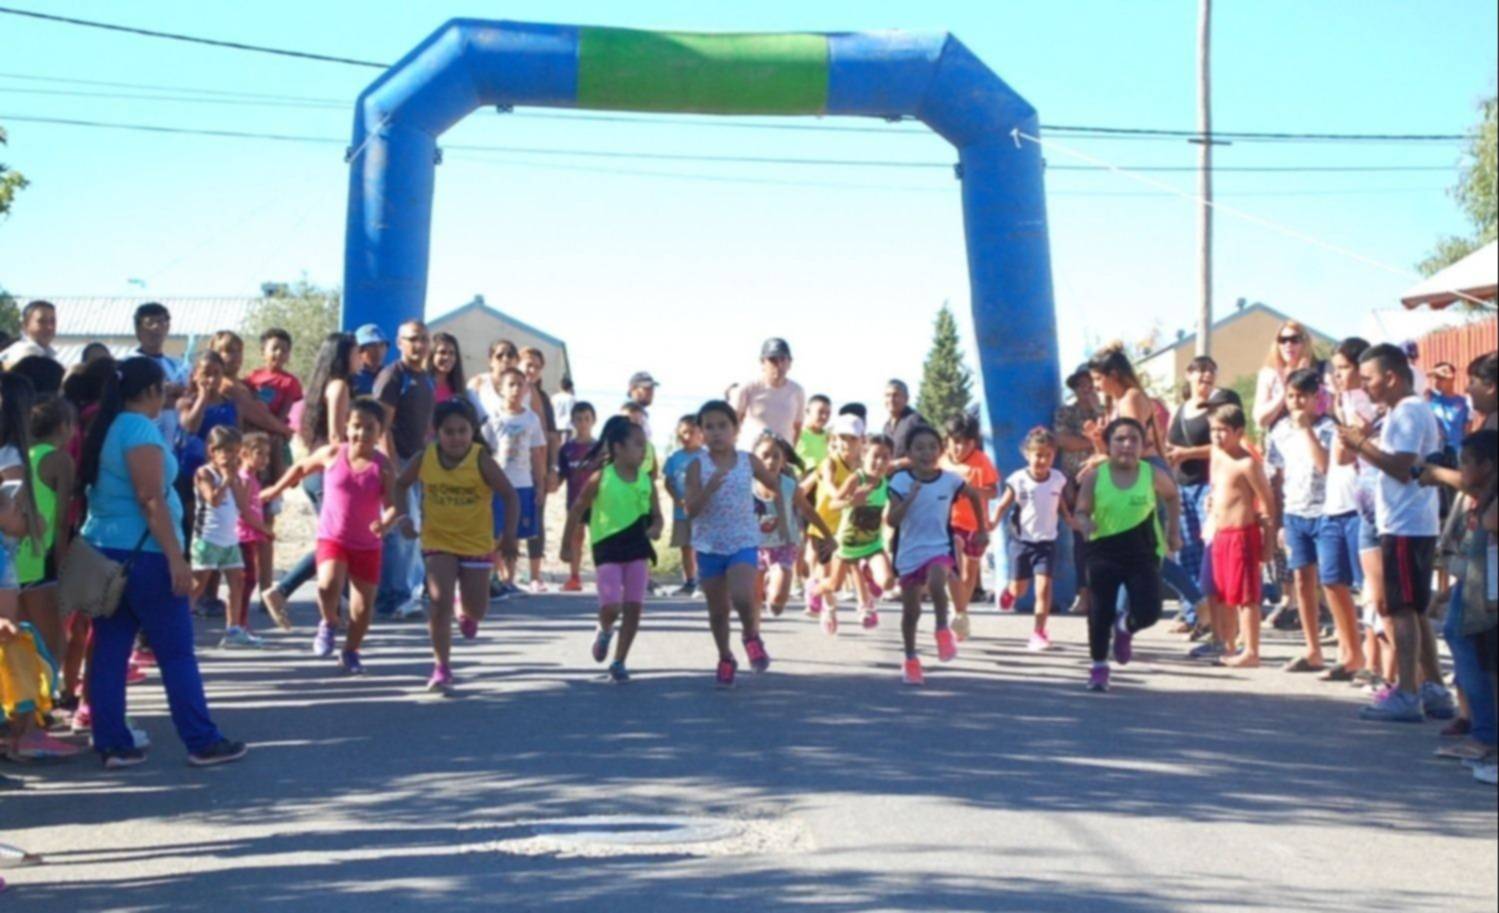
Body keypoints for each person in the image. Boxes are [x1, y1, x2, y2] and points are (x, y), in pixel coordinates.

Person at [77, 356, 247, 767]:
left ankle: (112, 742)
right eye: (162, 388)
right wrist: (175, 557)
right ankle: (201, 740)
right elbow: (149, 497)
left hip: (105, 550)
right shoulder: (137, 429)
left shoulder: (109, 425)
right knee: (176, 653)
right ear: (150, 390)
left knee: (110, 650)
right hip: (146, 554)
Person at [1339, 343, 1456, 722]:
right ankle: (1433, 688)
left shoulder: (1408, 411)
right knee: (1414, 607)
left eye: (1369, 379)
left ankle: (1407, 692)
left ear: (1391, 377)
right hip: (1405, 522)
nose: (1365, 386)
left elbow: (1402, 468)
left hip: (1407, 523)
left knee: (1402, 609)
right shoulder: (1401, 411)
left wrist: (1360, 444)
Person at [264, 399, 403, 673]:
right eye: (356, 426)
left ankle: (351, 651)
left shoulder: (383, 466)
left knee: (362, 609)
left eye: (370, 428)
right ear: (346, 426)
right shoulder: (333, 453)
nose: (361, 433)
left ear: (380, 432)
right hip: (333, 537)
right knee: (327, 585)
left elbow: (394, 505)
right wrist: (276, 489)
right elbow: (301, 468)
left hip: (366, 545)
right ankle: (329, 622)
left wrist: (385, 523)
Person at [395, 399, 519, 692]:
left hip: (475, 542)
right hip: (438, 540)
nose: (456, 438)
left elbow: (509, 495)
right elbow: (400, 484)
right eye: (448, 432)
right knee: (438, 603)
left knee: (478, 610)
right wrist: (403, 517)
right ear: (436, 432)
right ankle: (441, 667)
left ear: (472, 431)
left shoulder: (480, 459)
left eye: (462, 431)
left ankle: (465, 611)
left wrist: (509, 536)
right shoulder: (425, 457)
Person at [1074, 418, 1183, 692]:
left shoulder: (1150, 474)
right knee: (1100, 611)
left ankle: (1125, 626)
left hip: (1143, 551)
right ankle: (1099, 667)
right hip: (1103, 550)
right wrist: (1085, 523)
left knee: (1150, 612)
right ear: (1108, 446)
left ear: (1143, 445)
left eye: (1134, 439)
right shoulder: (1095, 477)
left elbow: (1172, 496)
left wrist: (1173, 532)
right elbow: (1081, 511)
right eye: (1120, 439)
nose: (1127, 445)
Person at [684, 401, 786, 689]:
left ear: (736, 429)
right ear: (701, 433)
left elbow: (775, 484)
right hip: (709, 546)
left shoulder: (747, 461)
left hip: (743, 540)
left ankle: (751, 636)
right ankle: (725, 657)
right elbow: (691, 510)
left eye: (722, 426)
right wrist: (708, 490)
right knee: (718, 611)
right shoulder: (697, 466)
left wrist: (779, 509)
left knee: (743, 596)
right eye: (709, 427)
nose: (716, 432)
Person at [262, 333, 356, 619]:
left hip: (318, 470)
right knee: (336, 541)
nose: (360, 358)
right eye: (355, 352)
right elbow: (336, 436)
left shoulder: (323, 385)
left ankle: (339, 605)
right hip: (330, 473)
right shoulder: (339, 386)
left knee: (340, 540)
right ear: (344, 355)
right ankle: (284, 590)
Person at [561, 415, 661, 683]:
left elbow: (658, 516)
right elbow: (577, 509)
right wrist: (566, 544)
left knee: (634, 607)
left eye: (645, 445)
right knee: (612, 607)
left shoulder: (646, 481)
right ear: (618, 448)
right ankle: (605, 629)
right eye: (637, 444)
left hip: (638, 549)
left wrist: (656, 528)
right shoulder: (600, 478)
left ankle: (619, 661)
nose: (643, 450)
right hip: (607, 549)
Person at [887, 425, 987, 686]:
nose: (927, 453)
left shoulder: (950, 480)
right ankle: (910, 659)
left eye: (933, 447)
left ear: (941, 451)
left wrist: (982, 529)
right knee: (911, 612)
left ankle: (942, 630)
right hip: (909, 553)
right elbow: (892, 520)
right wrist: (909, 498)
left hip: (939, 547)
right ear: (909, 453)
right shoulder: (900, 481)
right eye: (919, 448)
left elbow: (974, 496)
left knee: (937, 579)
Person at [1430, 430, 1498, 775]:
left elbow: (1492, 522)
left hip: (1487, 590)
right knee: (1464, 643)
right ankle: (1483, 732)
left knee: (1476, 652)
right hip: (1474, 584)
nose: (1461, 469)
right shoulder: (1481, 494)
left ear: (1487, 466)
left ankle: (1486, 735)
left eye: (1467, 463)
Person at [1266, 368, 1338, 673]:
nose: (1295, 402)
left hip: (1326, 511)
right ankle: (1312, 649)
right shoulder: (1279, 430)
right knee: (1301, 580)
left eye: (1302, 396)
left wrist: (1307, 429)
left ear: (1314, 397)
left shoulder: (1328, 428)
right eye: (1291, 396)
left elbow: (1325, 466)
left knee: (1332, 582)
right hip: (1294, 513)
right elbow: (1276, 476)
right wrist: (1277, 521)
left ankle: (1346, 645)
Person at [1163, 356, 1241, 636]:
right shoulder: (1180, 409)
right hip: (1181, 486)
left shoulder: (1218, 408)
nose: (1206, 376)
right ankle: (1192, 612)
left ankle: (1214, 615)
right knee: (1185, 551)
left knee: (1209, 549)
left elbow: (1222, 444)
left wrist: (1187, 453)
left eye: (1211, 372)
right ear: (1189, 375)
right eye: (1200, 371)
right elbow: (1168, 442)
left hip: (1207, 484)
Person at [1, 482, 76, 762]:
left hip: (10, 630)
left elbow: (38, 525)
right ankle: (27, 736)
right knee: (24, 678)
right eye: (17, 510)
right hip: (6, 631)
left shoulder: (7, 544)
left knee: (23, 677)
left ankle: (19, 734)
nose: (25, 514)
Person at [1205, 404, 1277, 669]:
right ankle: (1230, 644)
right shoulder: (1217, 455)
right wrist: (1212, 501)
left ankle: (1251, 650)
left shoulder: (1247, 463)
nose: (1217, 435)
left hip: (1242, 535)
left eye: (1223, 430)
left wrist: (1269, 541)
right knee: (1224, 593)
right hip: (1220, 533)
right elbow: (1219, 488)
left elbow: (1267, 501)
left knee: (1246, 595)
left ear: (1238, 432)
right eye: (1213, 429)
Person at [373, 320, 434, 619]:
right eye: (412, 339)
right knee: (400, 529)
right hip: (398, 463)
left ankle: (408, 593)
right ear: (400, 343)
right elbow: (381, 426)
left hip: (418, 461)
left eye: (423, 339)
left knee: (413, 528)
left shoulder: (425, 378)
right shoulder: (393, 376)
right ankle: (393, 596)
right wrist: (392, 467)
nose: (419, 345)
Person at [190, 425, 268, 649]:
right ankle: (178, 625)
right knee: (198, 585)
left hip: (229, 539)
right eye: (225, 451)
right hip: (207, 538)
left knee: (237, 582)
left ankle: (233, 630)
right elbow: (213, 500)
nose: (230, 456)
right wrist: (225, 480)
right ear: (212, 451)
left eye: (234, 451)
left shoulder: (233, 477)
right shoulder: (205, 473)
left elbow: (243, 508)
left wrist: (262, 528)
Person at [994, 427, 1071, 652]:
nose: (1042, 460)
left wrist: (1069, 519)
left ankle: (1039, 632)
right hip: (1022, 542)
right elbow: (1003, 505)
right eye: (1038, 455)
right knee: (1020, 590)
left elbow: (1060, 502)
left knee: (1043, 588)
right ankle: (1010, 592)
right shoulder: (1018, 480)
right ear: (1027, 454)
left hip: (1046, 543)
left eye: (1048, 455)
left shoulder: (1057, 479)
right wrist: (992, 522)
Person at [471, 367, 546, 594]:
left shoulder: (531, 419)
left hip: (523, 484)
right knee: (495, 533)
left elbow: (537, 454)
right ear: (501, 389)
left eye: (520, 384)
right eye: (511, 384)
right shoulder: (493, 418)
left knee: (516, 534)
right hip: (498, 484)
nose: (516, 389)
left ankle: (509, 580)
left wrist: (540, 485)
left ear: (526, 389)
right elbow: (483, 452)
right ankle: (493, 576)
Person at [15, 397, 73, 671]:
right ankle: (47, 692)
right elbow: (61, 522)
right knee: (54, 642)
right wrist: (62, 567)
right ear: (63, 426)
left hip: (13, 556)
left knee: (20, 642)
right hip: (40, 558)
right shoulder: (59, 460)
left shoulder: (18, 455)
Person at [752, 433, 831, 621]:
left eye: (776, 457)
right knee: (753, 601)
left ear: (783, 462)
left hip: (783, 546)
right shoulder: (746, 485)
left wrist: (828, 535)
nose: (770, 461)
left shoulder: (789, 486)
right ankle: (753, 633)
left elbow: (808, 510)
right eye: (765, 456)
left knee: (778, 601)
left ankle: (774, 585)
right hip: (753, 547)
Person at [819, 433, 888, 632]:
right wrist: (851, 501)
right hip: (845, 539)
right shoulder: (853, 477)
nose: (880, 462)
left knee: (881, 576)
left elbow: (900, 464)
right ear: (864, 455)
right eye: (875, 456)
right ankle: (816, 590)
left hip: (871, 541)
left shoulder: (883, 479)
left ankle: (866, 603)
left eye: (885, 457)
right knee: (835, 585)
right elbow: (833, 503)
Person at [1054, 365, 1106, 616]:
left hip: (1104, 480)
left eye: (1090, 384)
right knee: (1081, 540)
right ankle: (1083, 593)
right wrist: (1093, 442)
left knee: (1104, 538)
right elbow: (1063, 441)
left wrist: (1099, 413)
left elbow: (1111, 440)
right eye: (1081, 385)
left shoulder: (1105, 412)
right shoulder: (1066, 412)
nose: (1087, 389)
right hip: (1075, 480)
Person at [941, 413, 998, 635]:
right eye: (956, 442)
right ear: (947, 440)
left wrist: (972, 491)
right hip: (950, 522)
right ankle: (955, 608)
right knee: (953, 564)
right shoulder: (941, 461)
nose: (961, 448)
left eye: (967, 443)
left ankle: (961, 612)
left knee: (969, 573)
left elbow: (993, 491)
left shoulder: (981, 461)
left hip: (975, 524)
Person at [804, 414, 863, 617]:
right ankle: (826, 606)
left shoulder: (861, 467)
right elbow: (829, 485)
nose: (847, 443)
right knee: (827, 570)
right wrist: (840, 496)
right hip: (824, 524)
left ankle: (863, 603)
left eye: (852, 438)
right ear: (834, 439)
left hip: (847, 526)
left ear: (861, 441)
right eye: (842, 437)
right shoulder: (830, 463)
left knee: (847, 567)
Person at [236, 432, 286, 631]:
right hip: (242, 535)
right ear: (244, 454)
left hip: (249, 535)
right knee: (246, 580)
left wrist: (266, 495)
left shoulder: (251, 478)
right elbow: (244, 512)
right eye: (260, 454)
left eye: (267, 454)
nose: (265, 459)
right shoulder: (244, 479)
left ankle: (240, 622)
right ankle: (239, 623)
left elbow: (252, 500)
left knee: (248, 580)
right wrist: (265, 529)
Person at [519, 346, 559, 591]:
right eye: (528, 364)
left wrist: (552, 468)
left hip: (537, 467)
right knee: (507, 519)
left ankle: (535, 575)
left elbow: (552, 435)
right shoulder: (507, 392)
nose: (531, 370)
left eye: (536, 366)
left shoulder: (543, 398)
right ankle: (503, 575)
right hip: (510, 467)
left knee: (536, 519)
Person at [128, 302, 191, 445]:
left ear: (168, 327)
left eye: (161, 322)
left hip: (177, 443)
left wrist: (176, 393)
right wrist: (167, 394)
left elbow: (190, 396)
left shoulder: (180, 365)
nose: (156, 328)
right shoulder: (129, 364)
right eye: (149, 323)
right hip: (142, 440)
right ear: (138, 329)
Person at [733, 337, 806, 449]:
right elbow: (733, 422)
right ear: (762, 362)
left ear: (790, 363)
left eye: (783, 359)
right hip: (751, 452)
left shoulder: (797, 391)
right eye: (773, 360)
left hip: (781, 454)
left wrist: (790, 452)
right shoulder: (748, 388)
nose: (778, 365)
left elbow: (797, 426)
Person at [556, 401, 598, 592]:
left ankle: (603, 576)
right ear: (572, 422)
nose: (583, 423)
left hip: (597, 501)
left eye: (587, 419)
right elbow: (561, 475)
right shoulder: (566, 449)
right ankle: (574, 577)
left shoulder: (600, 448)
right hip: (574, 501)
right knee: (576, 538)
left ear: (593, 421)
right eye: (579, 419)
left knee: (598, 538)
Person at [662, 414, 703, 597]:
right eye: (683, 433)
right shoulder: (674, 458)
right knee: (686, 547)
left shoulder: (706, 457)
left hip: (702, 512)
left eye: (691, 432)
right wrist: (677, 500)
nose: (687, 437)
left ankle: (704, 581)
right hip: (681, 511)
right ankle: (689, 581)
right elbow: (668, 482)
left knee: (702, 546)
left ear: (700, 433)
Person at [1253, 319, 1318, 431]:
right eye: (1283, 340)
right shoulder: (1269, 374)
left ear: (1304, 342)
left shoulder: (1320, 370)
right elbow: (1260, 420)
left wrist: (1304, 380)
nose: (1288, 344)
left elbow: (1329, 410)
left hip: (1316, 432)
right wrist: (1284, 393)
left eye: (1294, 339)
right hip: (1281, 437)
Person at [0, 300, 58, 368]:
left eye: (52, 321)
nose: (49, 327)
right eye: (42, 321)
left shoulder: (48, 353)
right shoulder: (26, 351)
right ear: (25, 325)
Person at [882, 380, 925, 471]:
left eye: (896, 395)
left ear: (906, 399)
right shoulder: (886, 426)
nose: (891, 399)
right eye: (887, 395)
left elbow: (925, 453)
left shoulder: (915, 421)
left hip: (911, 477)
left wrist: (897, 464)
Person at [796, 394, 832, 472]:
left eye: (828, 413)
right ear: (807, 411)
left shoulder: (830, 438)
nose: (824, 417)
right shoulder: (796, 433)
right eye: (820, 412)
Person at [428, 332, 466, 404]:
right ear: (431, 355)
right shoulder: (423, 384)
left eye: (451, 353)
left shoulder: (458, 387)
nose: (447, 357)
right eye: (442, 352)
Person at [352, 324, 388, 396]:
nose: (378, 351)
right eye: (372, 346)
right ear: (358, 350)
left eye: (381, 345)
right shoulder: (350, 378)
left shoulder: (391, 375)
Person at [627, 371, 658, 439]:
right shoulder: (630, 413)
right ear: (633, 389)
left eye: (652, 388)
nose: (651, 392)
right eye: (646, 388)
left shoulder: (641, 414)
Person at [552, 375, 576, 439]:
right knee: (566, 443)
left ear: (560, 386)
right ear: (570, 387)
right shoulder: (572, 398)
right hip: (567, 425)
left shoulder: (554, 397)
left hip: (556, 424)